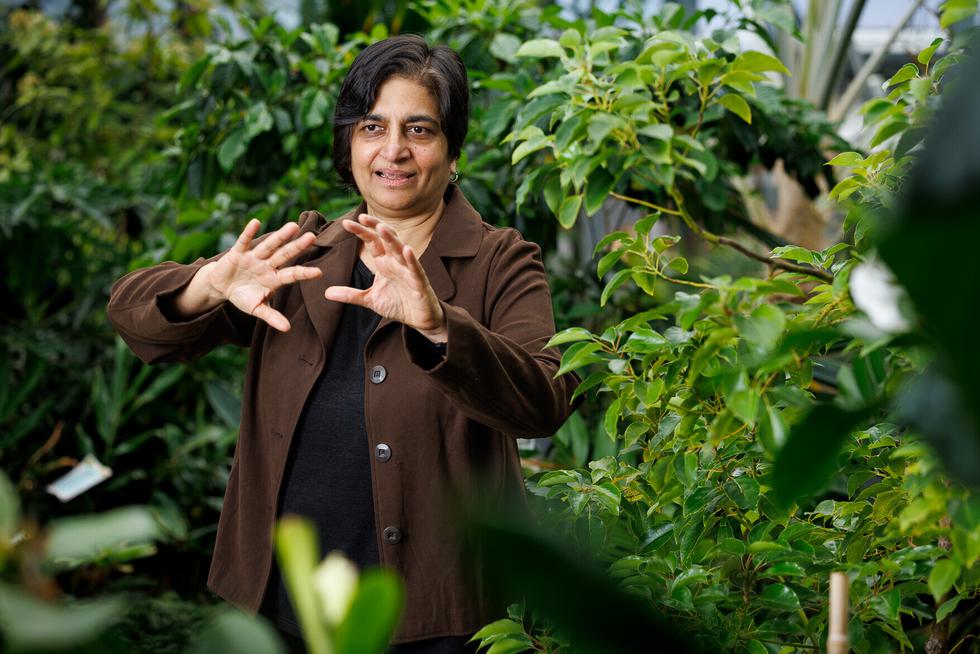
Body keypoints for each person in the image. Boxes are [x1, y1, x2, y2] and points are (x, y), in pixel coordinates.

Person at [108, 35, 579, 652]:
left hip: (437, 618)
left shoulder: (499, 261)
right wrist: (209, 284)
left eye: (419, 129)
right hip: (285, 604)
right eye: (371, 127)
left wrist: (439, 325)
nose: (393, 150)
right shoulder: (304, 252)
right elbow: (132, 315)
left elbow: (545, 399)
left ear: (453, 148)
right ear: (349, 144)